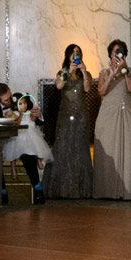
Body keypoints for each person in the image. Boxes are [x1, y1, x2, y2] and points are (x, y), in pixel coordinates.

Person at [91, 39, 131, 199]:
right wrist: (112, 73)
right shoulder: (104, 73)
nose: (117, 55)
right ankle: (107, 191)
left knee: (128, 149)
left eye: (120, 52)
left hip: (126, 113)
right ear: (110, 55)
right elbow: (101, 91)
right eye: (115, 52)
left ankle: (126, 191)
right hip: (108, 115)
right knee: (108, 149)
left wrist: (124, 70)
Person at [48, 44, 95, 199]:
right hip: (65, 115)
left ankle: (81, 189)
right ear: (68, 56)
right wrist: (69, 71)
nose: (76, 55)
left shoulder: (84, 73)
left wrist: (83, 71)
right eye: (73, 53)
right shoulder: (62, 72)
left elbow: (88, 89)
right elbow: (59, 85)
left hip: (81, 116)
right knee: (64, 147)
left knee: (80, 148)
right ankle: (61, 189)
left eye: (78, 53)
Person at [0, 86, 49, 203]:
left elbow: (40, 121)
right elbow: (13, 124)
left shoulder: (30, 113)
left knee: (28, 155)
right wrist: (17, 114)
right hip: (14, 139)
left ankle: (37, 189)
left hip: (28, 141)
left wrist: (37, 115)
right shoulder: (8, 112)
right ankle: (3, 192)